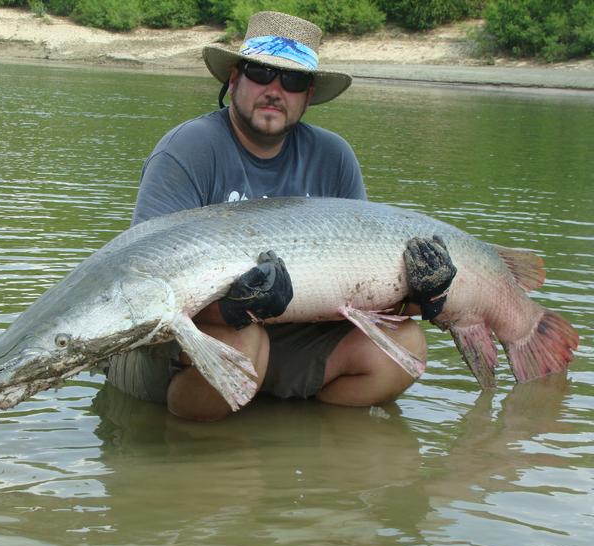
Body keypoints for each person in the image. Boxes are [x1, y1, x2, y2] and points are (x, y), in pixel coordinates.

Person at [106, 11, 456, 421]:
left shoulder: (334, 157)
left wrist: (422, 296)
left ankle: (294, 429)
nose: (274, 90)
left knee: (404, 347)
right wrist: (231, 310)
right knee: (244, 341)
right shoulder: (187, 149)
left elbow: (360, 293)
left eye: (292, 81)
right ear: (234, 80)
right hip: (170, 343)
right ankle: (189, 436)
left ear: (308, 95)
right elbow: (141, 292)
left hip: (279, 339)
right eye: (261, 73)